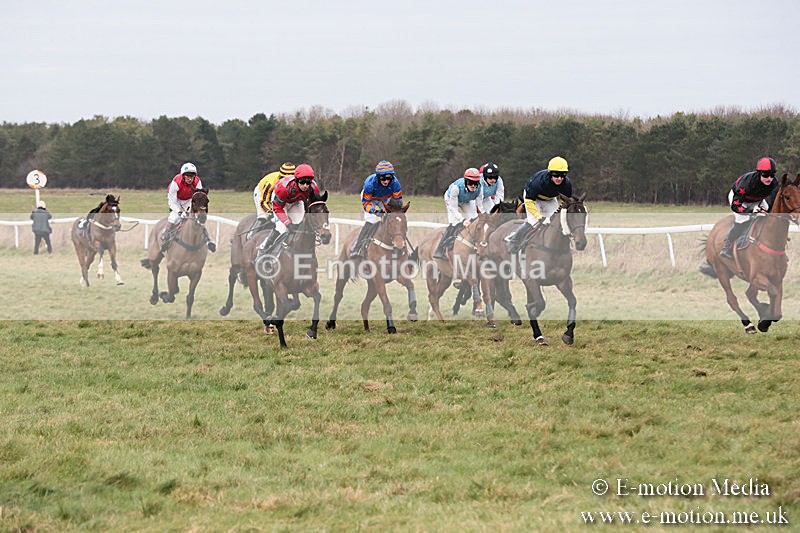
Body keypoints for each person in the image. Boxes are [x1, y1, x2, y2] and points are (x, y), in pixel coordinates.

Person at [505, 156, 573, 255]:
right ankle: (514, 240)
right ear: (550, 174)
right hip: (532, 199)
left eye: (562, 175)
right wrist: (539, 217)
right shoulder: (538, 182)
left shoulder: (567, 184)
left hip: (549, 199)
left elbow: (565, 201)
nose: (559, 178)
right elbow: (529, 202)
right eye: (556, 175)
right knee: (535, 223)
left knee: (555, 223)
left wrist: (558, 211)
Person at [256, 163, 321, 260]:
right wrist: (287, 222)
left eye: (308, 182)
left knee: (300, 224)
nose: (305, 185)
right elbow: (278, 208)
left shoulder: (314, 187)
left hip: (295, 201)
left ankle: (297, 249)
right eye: (302, 182)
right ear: (296, 180)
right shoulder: (283, 188)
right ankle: (264, 248)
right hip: (280, 203)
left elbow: (314, 205)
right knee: (282, 228)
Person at [720, 157, 779, 259]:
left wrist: (767, 210)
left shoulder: (774, 183)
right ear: (759, 173)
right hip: (739, 199)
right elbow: (736, 206)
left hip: (757, 199)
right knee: (742, 219)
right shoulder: (746, 184)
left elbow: (772, 201)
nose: (769, 178)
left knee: (770, 218)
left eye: (772, 175)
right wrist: (752, 211)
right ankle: (727, 246)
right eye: (765, 175)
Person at [350, 160, 403, 258]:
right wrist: (377, 212)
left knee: (395, 219)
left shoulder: (396, 184)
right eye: (383, 178)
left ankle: (400, 246)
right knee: (371, 220)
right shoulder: (369, 184)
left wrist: (394, 212)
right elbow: (367, 204)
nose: (386, 181)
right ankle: (357, 247)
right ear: (378, 177)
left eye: (389, 178)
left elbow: (398, 202)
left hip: (385, 198)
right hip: (370, 199)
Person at [161, 162, 216, 253]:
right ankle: (165, 236)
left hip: (189, 200)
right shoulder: (176, 182)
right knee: (174, 217)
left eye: (192, 176)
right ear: (183, 176)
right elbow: (172, 202)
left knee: (197, 217)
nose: (190, 179)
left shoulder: (197, 182)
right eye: (187, 176)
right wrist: (179, 212)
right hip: (176, 200)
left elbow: (199, 197)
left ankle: (207, 240)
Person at [433, 167, 484, 260]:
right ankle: (440, 249)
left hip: (466, 200)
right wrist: (462, 220)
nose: (473, 186)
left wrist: (484, 217)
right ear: (465, 181)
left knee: (475, 219)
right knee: (454, 223)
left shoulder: (480, 189)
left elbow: (480, 207)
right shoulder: (455, 188)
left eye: (476, 183)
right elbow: (453, 208)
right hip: (451, 200)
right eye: (470, 183)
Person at [251, 162, 295, 238]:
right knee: (264, 216)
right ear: (281, 176)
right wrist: (270, 212)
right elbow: (263, 202)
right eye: (284, 179)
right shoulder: (270, 183)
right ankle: (251, 236)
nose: (287, 183)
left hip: (278, 195)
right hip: (261, 192)